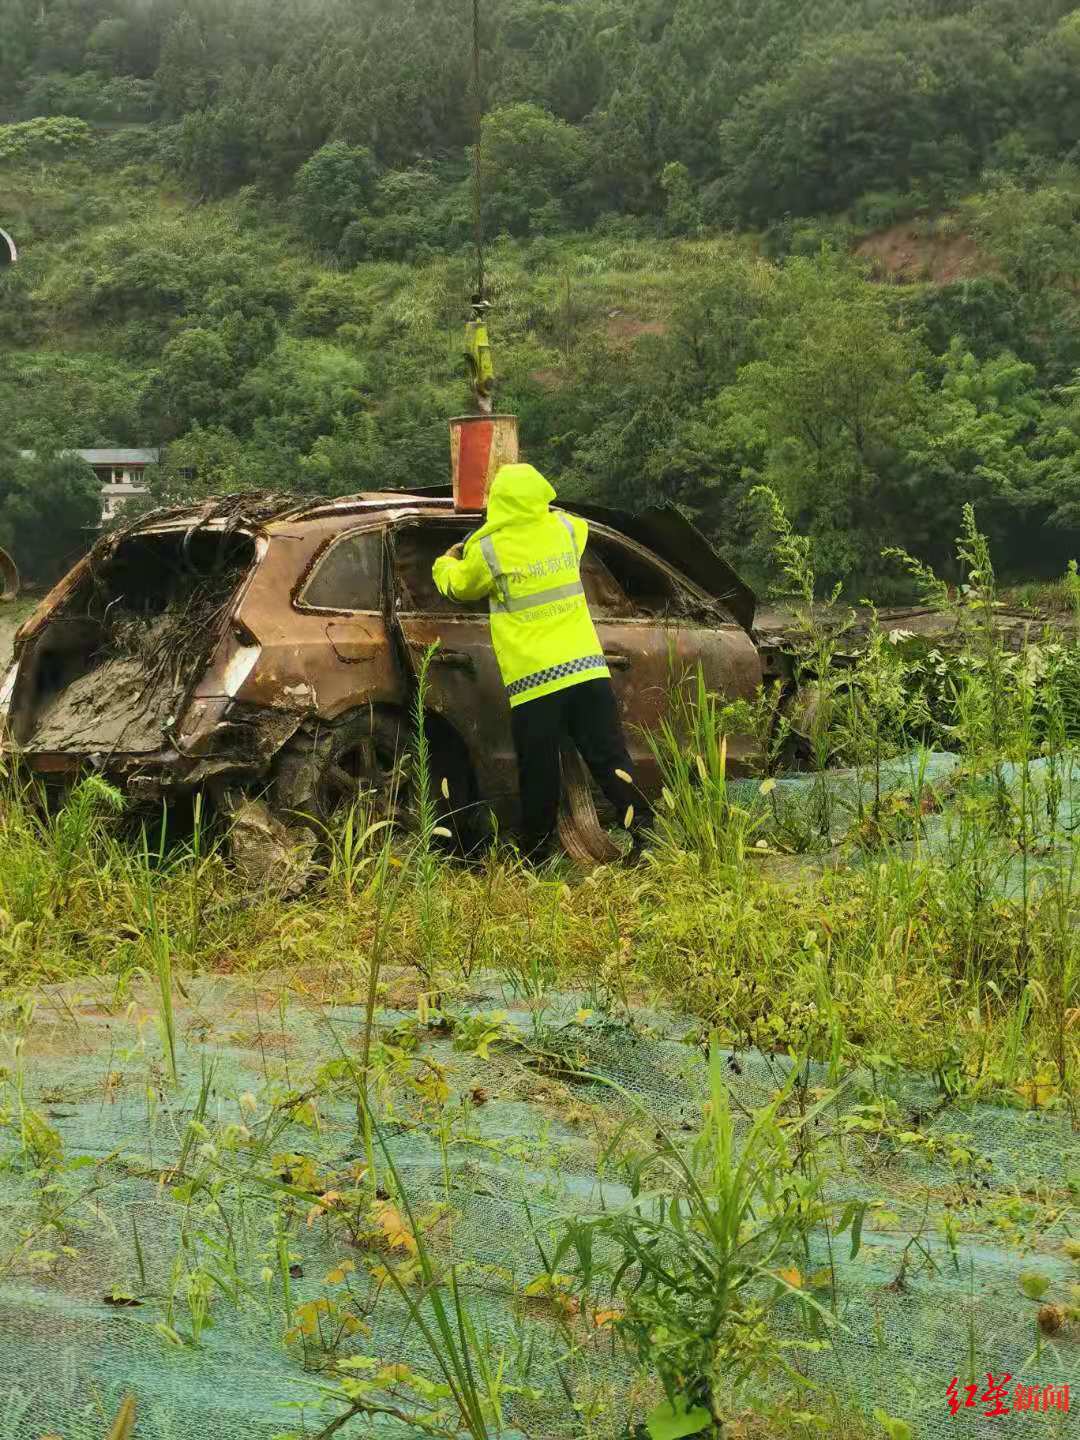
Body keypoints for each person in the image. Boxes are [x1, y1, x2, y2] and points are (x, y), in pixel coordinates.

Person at [432, 462, 651, 860]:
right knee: (610, 760)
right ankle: (647, 838)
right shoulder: (566, 530)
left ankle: (536, 855)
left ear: (498, 504)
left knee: (539, 772)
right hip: (586, 670)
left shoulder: (489, 550)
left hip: (536, 682)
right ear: (541, 496)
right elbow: (575, 526)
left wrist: (445, 561)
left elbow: (460, 587)